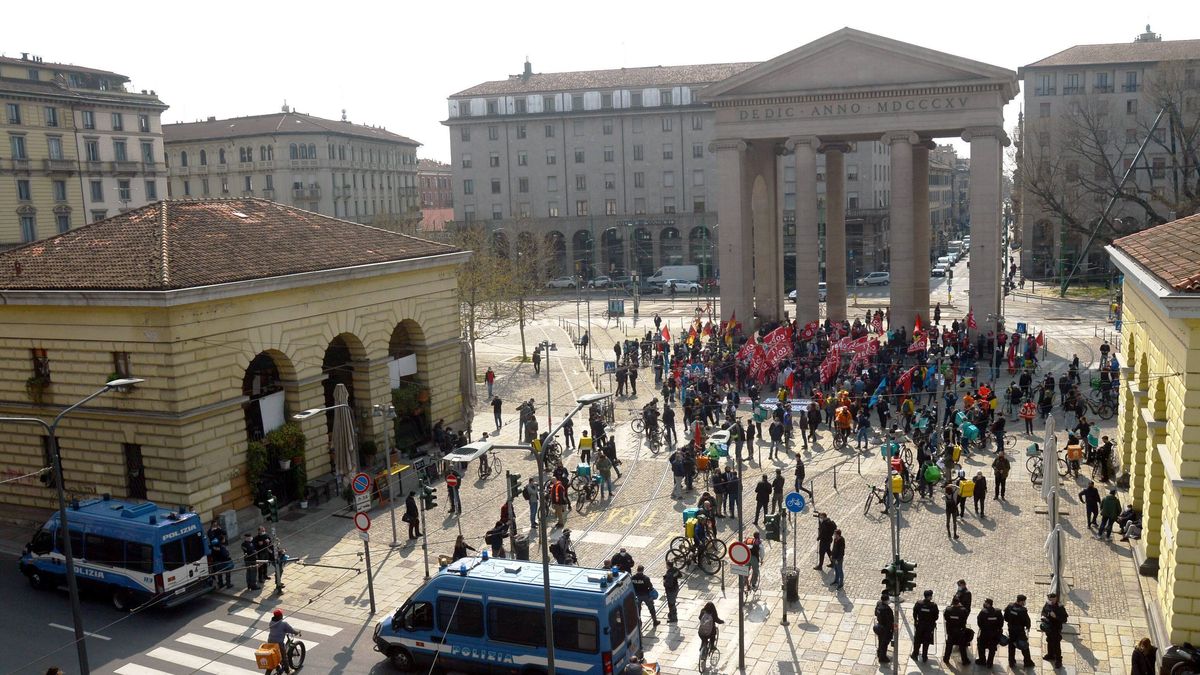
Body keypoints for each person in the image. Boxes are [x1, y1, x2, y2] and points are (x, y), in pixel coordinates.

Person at [1004, 594, 1035, 668]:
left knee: (1011, 646)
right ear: (1021, 601)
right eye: (1024, 601)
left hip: (1011, 629)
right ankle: (1027, 662)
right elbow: (1026, 621)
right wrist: (1028, 626)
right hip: (1019, 631)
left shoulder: (1010, 606)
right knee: (1024, 646)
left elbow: (1005, 617)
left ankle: (1011, 662)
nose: (1024, 603)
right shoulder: (1023, 610)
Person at [1040, 592, 1068, 669]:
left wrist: (1056, 617)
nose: (1051, 601)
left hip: (1056, 628)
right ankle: (1050, 655)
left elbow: (1064, 619)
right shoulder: (1048, 604)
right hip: (1048, 627)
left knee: (1056, 644)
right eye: (1050, 600)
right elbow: (1044, 611)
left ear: (1056, 599)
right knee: (1049, 640)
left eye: (1052, 600)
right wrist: (1043, 616)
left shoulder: (1060, 607)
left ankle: (1058, 660)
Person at [267, 609, 300, 674]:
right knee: (284, 656)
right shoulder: (284, 624)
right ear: (280, 616)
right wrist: (297, 632)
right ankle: (288, 671)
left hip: (270, 641)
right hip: (278, 643)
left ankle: (278, 667)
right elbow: (291, 630)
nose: (282, 615)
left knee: (275, 655)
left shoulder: (271, 622)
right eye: (281, 614)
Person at [942, 594, 971, 666]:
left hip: (951, 630)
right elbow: (965, 617)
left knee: (949, 645)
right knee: (962, 646)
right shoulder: (963, 610)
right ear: (959, 602)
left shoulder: (948, 609)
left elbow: (946, 618)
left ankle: (946, 659)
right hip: (960, 630)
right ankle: (965, 660)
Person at [911, 590, 939, 663]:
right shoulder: (933, 605)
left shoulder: (919, 603)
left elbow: (914, 613)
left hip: (920, 625)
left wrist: (916, 621)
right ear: (929, 596)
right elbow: (936, 617)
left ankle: (915, 654)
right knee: (926, 641)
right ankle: (924, 656)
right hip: (929, 626)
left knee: (917, 640)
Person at [976, 598, 1004, 667]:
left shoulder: (983, 612)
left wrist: (983, 628)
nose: (984, 604)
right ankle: (990, 663)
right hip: (994, 633)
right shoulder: (998, 612)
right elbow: (1001, 623)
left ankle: (982, 660)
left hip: (984, 633)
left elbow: (979, 622)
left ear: (988, 604)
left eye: (985, 602)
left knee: (981, 646)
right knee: (992, 648)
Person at [874, 591, 895, 663]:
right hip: (885, 628)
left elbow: (875, 613)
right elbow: (891, 620)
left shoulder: (878, 604)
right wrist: (892, 630)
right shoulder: (887, 609)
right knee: (885, 643)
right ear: (886, 600)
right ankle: (882, 658)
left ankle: (879, 652)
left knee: (880, 640)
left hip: (879, 626)